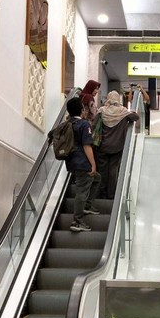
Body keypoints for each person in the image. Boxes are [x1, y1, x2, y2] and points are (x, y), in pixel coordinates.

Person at [65, 97, 101, 232]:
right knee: (81, 190)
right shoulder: (84, 125)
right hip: (82, 162)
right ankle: (77, 221)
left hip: (71, 163)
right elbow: (87, 146)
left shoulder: (67, 123)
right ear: (81, 110)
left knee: (97, 178)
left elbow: (52, 135)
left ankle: (87, 205)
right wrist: (93, 164)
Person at [96, 91, 139, 199]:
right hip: (117, 147)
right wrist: (132, 110)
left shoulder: (102, 111)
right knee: (113, 171)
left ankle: (102, 194)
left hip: (103, 146)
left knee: (102, 171)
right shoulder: (123, 112)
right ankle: (112, 195)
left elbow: (94, 123)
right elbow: (136, 117)